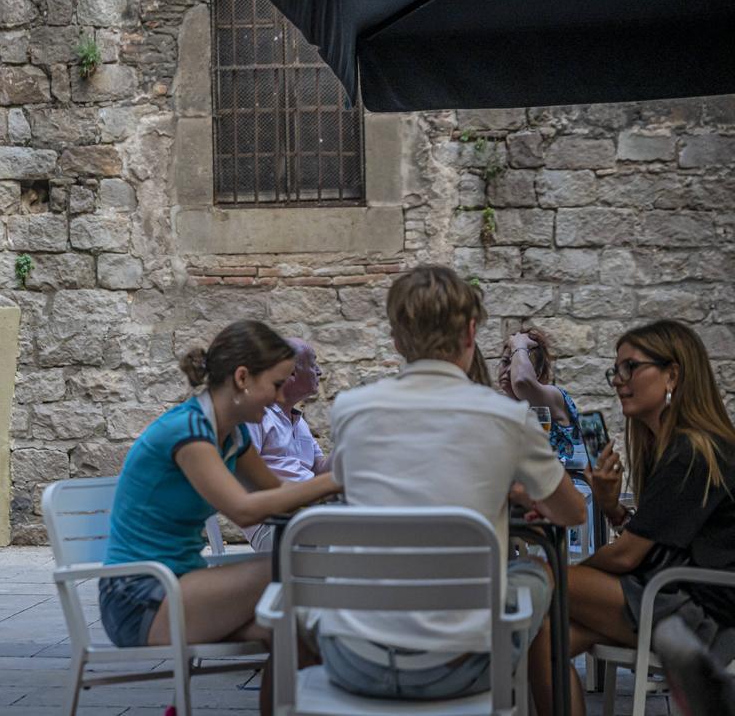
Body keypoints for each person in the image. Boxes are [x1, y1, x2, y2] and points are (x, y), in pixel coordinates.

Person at [310, 265, 586, 701]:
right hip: (461, 667)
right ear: (471, 331)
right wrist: (515, 492)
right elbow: (573, 513)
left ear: (397, 338)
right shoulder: (508, 418)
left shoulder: (351, 409)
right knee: (536, 573)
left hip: (354, 661)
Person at [101, 320, 341, 715]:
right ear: (243, 378)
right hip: (139, 598)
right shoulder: (188, 430)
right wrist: (335, 481)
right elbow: (243, 508)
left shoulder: (233, 434)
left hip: (184, 584)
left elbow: (278, 497)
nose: (281, 396)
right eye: (277, 385)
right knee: (288, 569)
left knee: (296, 634)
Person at [529, 319, 735, 716]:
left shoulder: (695, 450)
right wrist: (612, 507)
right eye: (615, 371)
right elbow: (656, 541)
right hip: (670, 592)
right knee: (546, 636)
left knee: (538, 575)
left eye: (630, 368)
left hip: (701, 611)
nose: (618, 380)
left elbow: (627, 557)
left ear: (672, 373)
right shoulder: (675, 446)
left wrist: (571, 576)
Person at [241, 338, 331, 551]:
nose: (319, 372)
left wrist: (350, 440)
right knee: (356, 536)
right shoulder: (254, 415)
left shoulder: (298, 421)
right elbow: (244, 477)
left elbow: (321, 470)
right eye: (313, 364)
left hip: (309, 513)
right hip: (275, 521)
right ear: (290, 372)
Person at [497, 327, 586, 465]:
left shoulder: (554, 397)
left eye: (515, 363)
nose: (509, 370)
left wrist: (519, 344)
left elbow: (522, 381)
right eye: (505, 362)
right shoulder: (502, 412)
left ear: (536, 373)